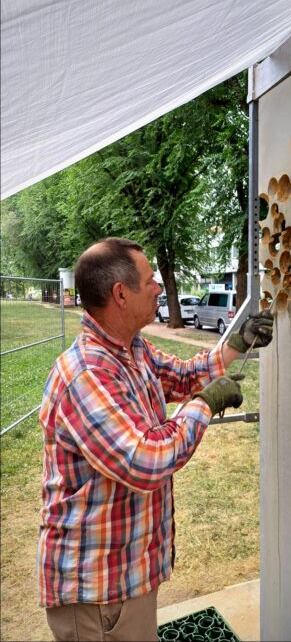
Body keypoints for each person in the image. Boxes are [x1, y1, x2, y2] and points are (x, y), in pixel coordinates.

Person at [37, 237, 274, 642]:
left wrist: (236, 344)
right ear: (121, 294)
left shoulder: (131, 349)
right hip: (97, 592)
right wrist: (205, 403)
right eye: (151, 281)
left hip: (123, 575)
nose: (160, 288)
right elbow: (147, 459)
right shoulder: (87, 373)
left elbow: (182, 375)